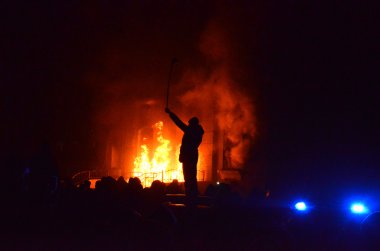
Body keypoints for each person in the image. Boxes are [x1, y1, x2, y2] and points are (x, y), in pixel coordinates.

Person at [165, 108, 204, 208]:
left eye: (190, 123)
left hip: (188, 157)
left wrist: (170, 113)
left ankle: (191, 198)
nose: (188, 124)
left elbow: (179, 123)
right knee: (191, 177)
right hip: (191, 156)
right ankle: (192, 196)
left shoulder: (191, 132)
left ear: (193, 124)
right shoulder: (197, 132)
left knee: (189, 178)